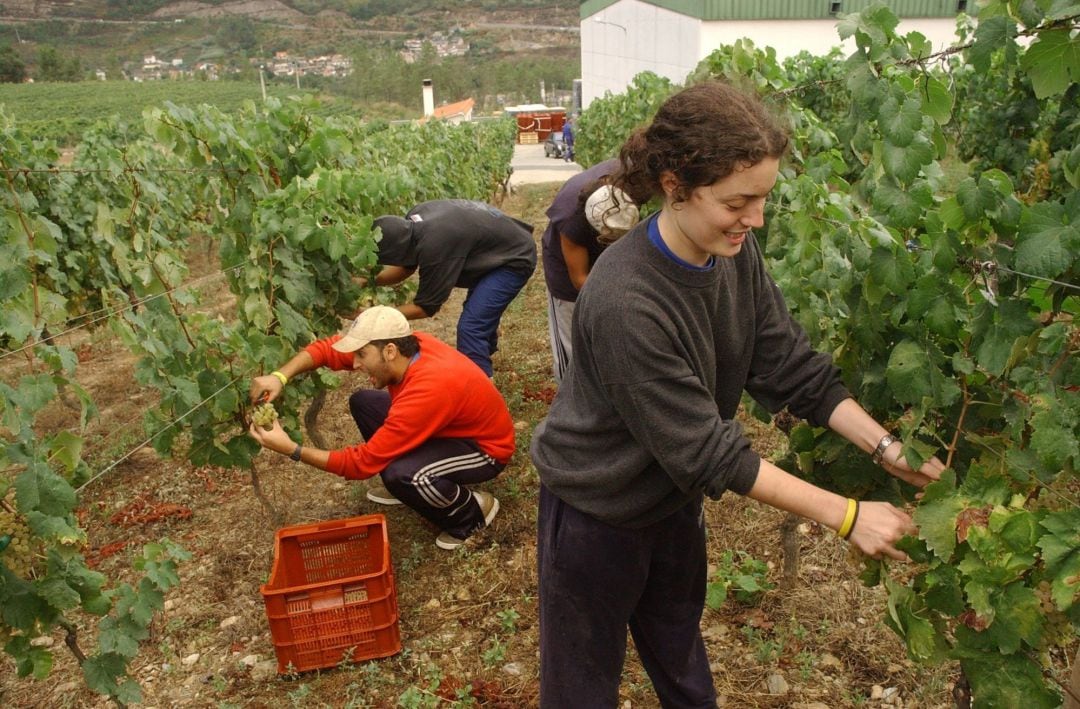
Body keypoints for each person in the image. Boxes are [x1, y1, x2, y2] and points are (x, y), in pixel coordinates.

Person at [529, 81, 946, 707]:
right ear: (675, 187)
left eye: (764, 199)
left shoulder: (730, 252)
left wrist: (885, 446)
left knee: (680, 653)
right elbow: (709, 452)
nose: (755, 219)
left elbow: (787, 364)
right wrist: (849, 516)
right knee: (582, 687)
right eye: (737, 202)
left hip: (670, 504)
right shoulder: (623, 300)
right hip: (596, 513)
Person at [249, 306, 514, 550]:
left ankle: (472, 515)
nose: (354, 364)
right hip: (445, 426)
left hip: (483, 449)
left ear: (389, 351)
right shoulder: (408, 347)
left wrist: (292, 449)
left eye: (362, 354)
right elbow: (327, 349)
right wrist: (279, 377)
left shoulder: (428, 389)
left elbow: (360, 464)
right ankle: (408, 489)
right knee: (363, 402)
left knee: (404, 474)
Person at [368, 199, 537, 377]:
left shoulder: (435, 247)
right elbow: (406, 267)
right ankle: (482, 358)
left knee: (471, 327)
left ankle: (480, 391)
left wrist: (377, 316)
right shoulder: (414, 221)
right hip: (498, 249)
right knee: (478, 313)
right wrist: (367, 281)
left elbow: (425, 307)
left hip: (514, 259)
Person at [541, 158, 640, 382]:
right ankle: (571, 402)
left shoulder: (633, 190)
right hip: (569, 280)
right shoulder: (571, 220)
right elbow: (580, 280)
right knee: (574, 346)